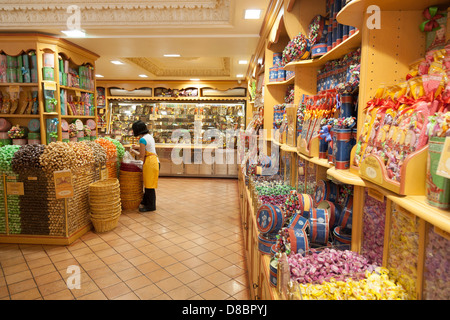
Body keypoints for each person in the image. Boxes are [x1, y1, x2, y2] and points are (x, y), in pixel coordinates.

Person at [130, 120, 159, 212]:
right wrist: (138, 147)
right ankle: (146, 201)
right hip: (154, 161)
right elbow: (148, 147)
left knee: (149, 185)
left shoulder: (142, 139)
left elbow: (141, 155)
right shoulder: (149, 136)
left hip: (149, 163)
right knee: (149, 183)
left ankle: (151, 206)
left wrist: (133, 151)